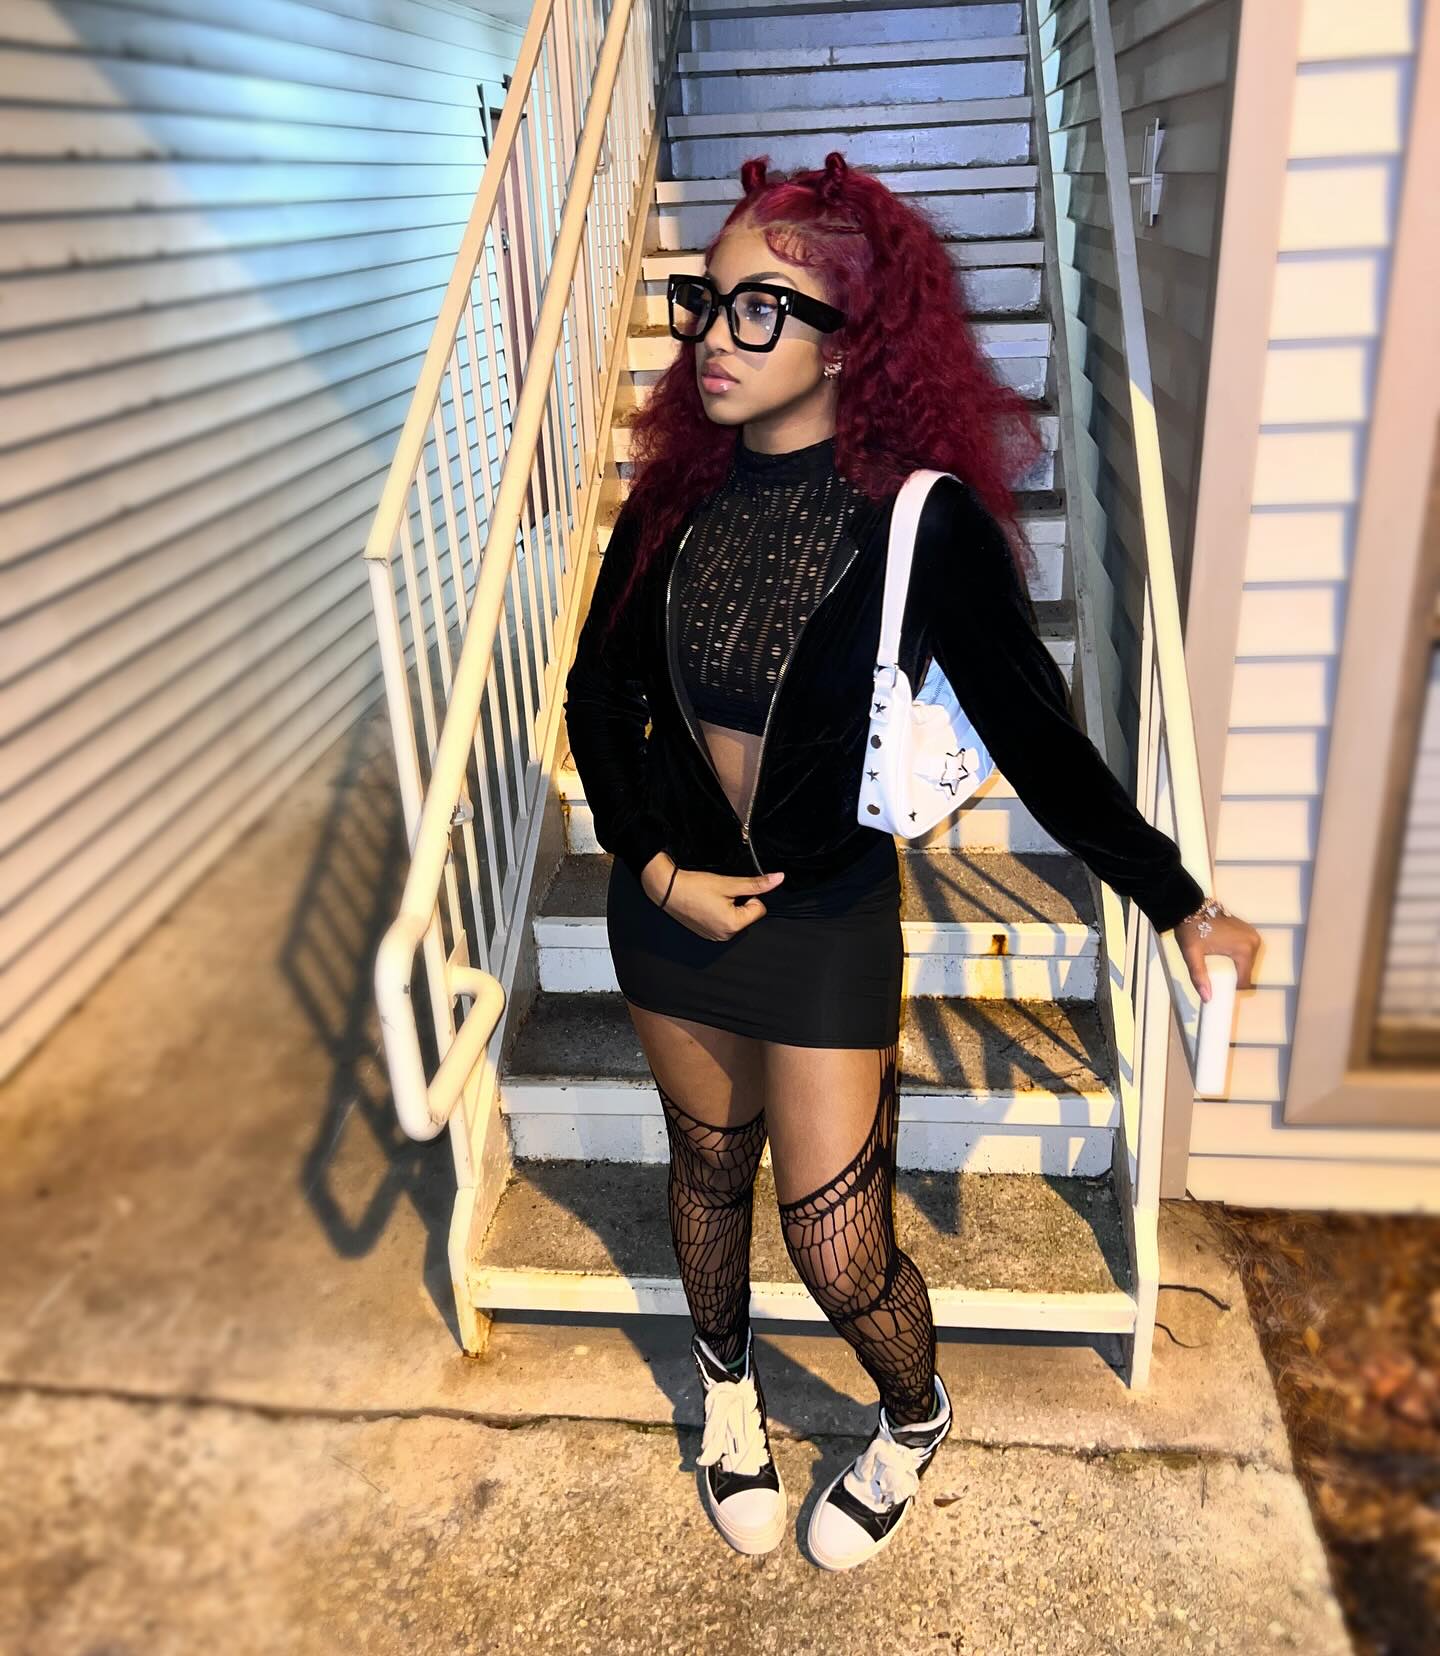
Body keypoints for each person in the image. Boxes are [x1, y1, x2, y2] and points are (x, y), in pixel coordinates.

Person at [562, 150, 1261, 1570]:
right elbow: (598, 694)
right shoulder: (670, 501)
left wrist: (1178, 900)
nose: (712, 337)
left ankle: (914, 1411)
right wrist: (654, 867)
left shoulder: (920, 523)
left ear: (851, 342)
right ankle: (729, 1395)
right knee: (706, 1175)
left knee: (840, 1246)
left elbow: (1041, 742)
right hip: (669, 907)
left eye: (761, 308)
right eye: (708, 301)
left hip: (822, 917)